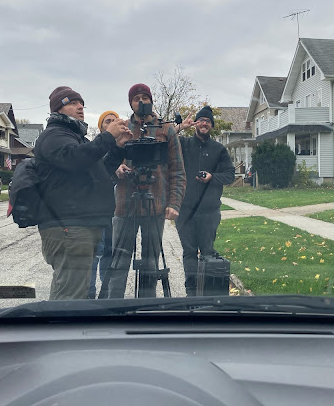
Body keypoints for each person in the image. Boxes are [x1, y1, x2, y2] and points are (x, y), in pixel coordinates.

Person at [34, 87, 131, 300]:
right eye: (73, 103)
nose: (80, 107)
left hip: (79, 227)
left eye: (82, 103)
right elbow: (76, 159)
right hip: (68, 228)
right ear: (58, 109)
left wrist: (118, 148)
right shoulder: (54, 136)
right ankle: (62, 332)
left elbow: (101, 172)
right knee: (70, 297)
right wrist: (107, 137)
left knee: (75, 293)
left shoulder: (76, 138)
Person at [107, 83, 186, 298]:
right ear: (130, 103)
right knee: (119, 262)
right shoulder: (121, 128)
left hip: (156, 205)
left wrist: (174, 203)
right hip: (125, 204)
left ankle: (146, 308)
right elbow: (107, 162)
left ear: (151, 100)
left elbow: (177, 170)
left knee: (151, 263)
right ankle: (114, 310)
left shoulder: (166, 129)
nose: (141, 102)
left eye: (145, 97)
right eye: (136, 98)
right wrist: (117, 169)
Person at [175, 105, 235, 296]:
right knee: (189, 253)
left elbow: (230, 175)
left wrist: (212, 177)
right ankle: (191, 291)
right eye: (201, 120)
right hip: (185, 210)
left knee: (207, 252)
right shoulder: (183, 144)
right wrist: (179, 128)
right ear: (195, 124)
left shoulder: (219, 150)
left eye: (207, 121)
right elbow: (165, 142)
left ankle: (208, 293)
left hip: (209, 211)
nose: (204, 123)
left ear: (211, 126)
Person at [87, 110, 120, 299]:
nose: (112, 123)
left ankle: (106, 295)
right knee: (94, 253)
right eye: (107, 121)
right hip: (96, 210)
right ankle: (89, 293)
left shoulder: (124, 146)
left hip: (118, 209)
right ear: (101, 127)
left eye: (115, 121)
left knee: (110, 253)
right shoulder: (95, 147)